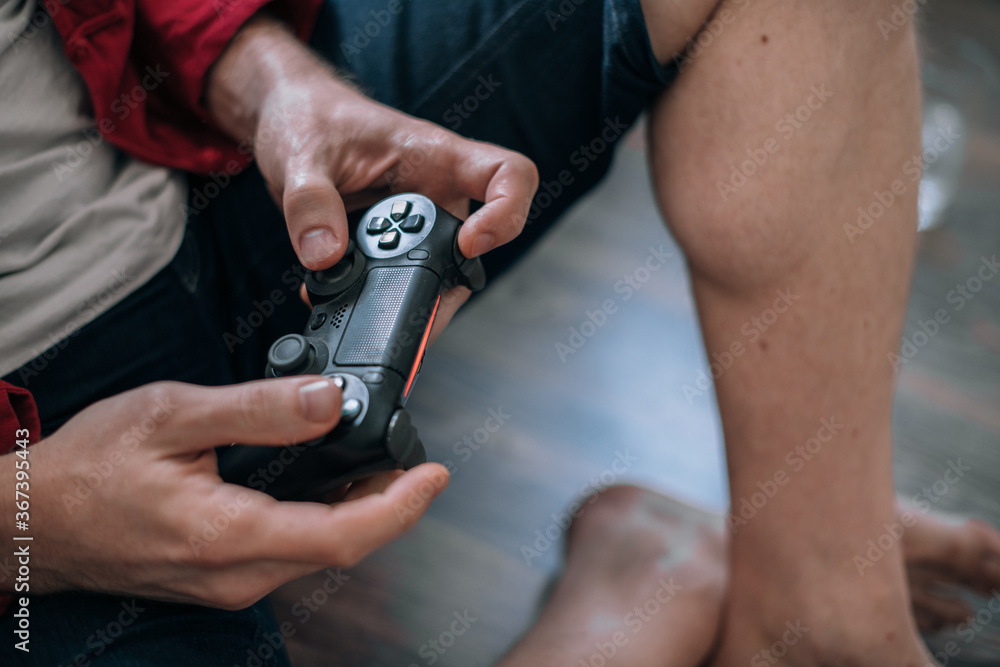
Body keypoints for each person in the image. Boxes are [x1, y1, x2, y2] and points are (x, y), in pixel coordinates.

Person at [1, 0, 999, 666]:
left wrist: (257, 74)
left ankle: (819, 604)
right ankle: (642, 584)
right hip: (40, 464)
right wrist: (26, 522)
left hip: (175, 149)